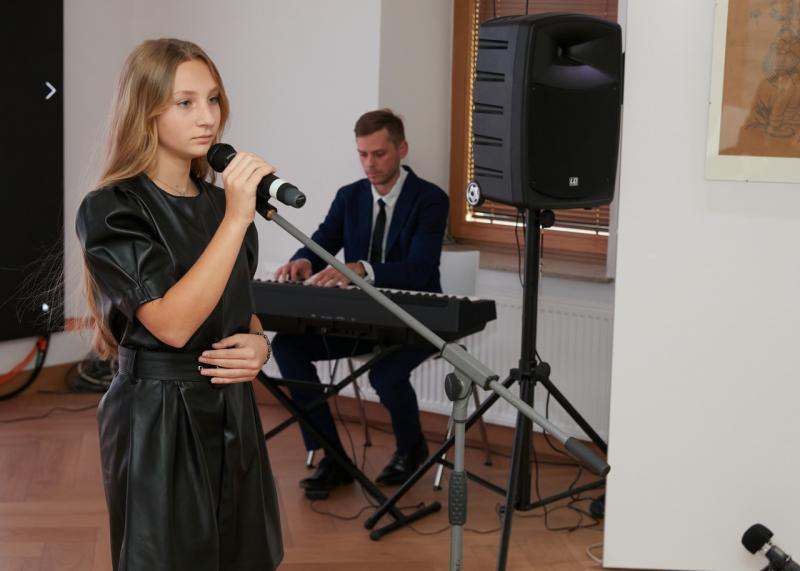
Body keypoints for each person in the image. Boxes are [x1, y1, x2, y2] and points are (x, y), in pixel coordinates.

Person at [75, 39, 282, 570]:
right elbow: (171, 324)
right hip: (157, 415)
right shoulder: (112, 209)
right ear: (146, 111)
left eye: (212, 99)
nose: (207, 117)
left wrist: (258, 343)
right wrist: (237, 219)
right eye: (185, 103)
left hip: (231, 408)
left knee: (243, 556)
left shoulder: (222, 205)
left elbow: (236, 307)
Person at [272, 109, 449, 498]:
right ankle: (332, 456)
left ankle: (411, 448)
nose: (370, 163)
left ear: (402, 149)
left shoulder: (430, 200)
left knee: (384, 375)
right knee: (286, 346)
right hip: (362, 319)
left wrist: (362, 269)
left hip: (417, 320)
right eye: (363, 154)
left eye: (379, 154)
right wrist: (303, 260)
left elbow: (420, 270)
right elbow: (322, 241)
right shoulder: (350, 196)